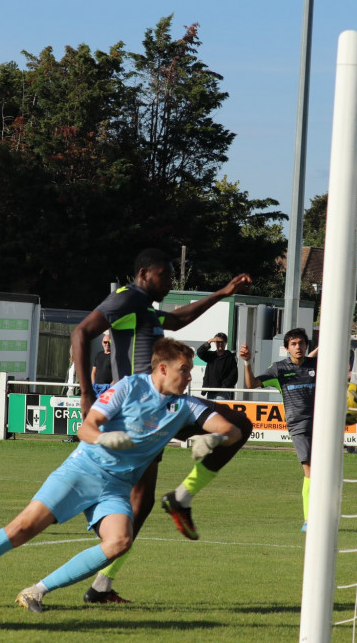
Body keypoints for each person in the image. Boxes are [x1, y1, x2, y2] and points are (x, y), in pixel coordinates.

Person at [0, 338, 243, 612]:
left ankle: (36, 591)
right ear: (163, 369)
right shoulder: (129, 387)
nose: (190, 378)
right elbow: (85, 427)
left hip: (115, 488)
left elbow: (231, 430)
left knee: (119, 542)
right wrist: (103, 437)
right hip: (82, 471)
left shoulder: (183, 404)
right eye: (185, 371)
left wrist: (214, 438)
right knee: (21, 529)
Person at [70, 248, 254, 603]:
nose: (170, 283)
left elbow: (177, 320)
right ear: (144, 274)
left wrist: (221, 294)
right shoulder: (125, 297)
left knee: (141, 503)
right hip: (145, 405)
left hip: (154, 407)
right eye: (166, 275)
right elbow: (81, 333)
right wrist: (85, 393)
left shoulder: (142, 305)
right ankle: (180, 499)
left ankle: (100, 587)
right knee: (237, 424)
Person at [239, 327, 317, 531]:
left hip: (322, 425)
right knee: (309, 470)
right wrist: (247, 362)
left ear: (306, 345)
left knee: (324, 473)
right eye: (293, 344)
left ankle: (322, 516)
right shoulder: (279, 369)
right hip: (298, 425)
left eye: (301, 343)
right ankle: (309, 520)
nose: (298, 347)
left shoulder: (316, 366)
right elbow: (251, 384)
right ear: (286, 348)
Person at [196, 332, 238, 400]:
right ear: (215, 343)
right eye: (218, 342)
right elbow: (200, 352)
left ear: (225, 343)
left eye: (222, 342)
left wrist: (224, 387)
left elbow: (233, 375)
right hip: (211, 391)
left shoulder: (230, 357)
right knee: (211, 410)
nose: (220, 344)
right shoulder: (211, 356)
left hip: (223, 392)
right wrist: (210, 341)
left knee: (220, 410)